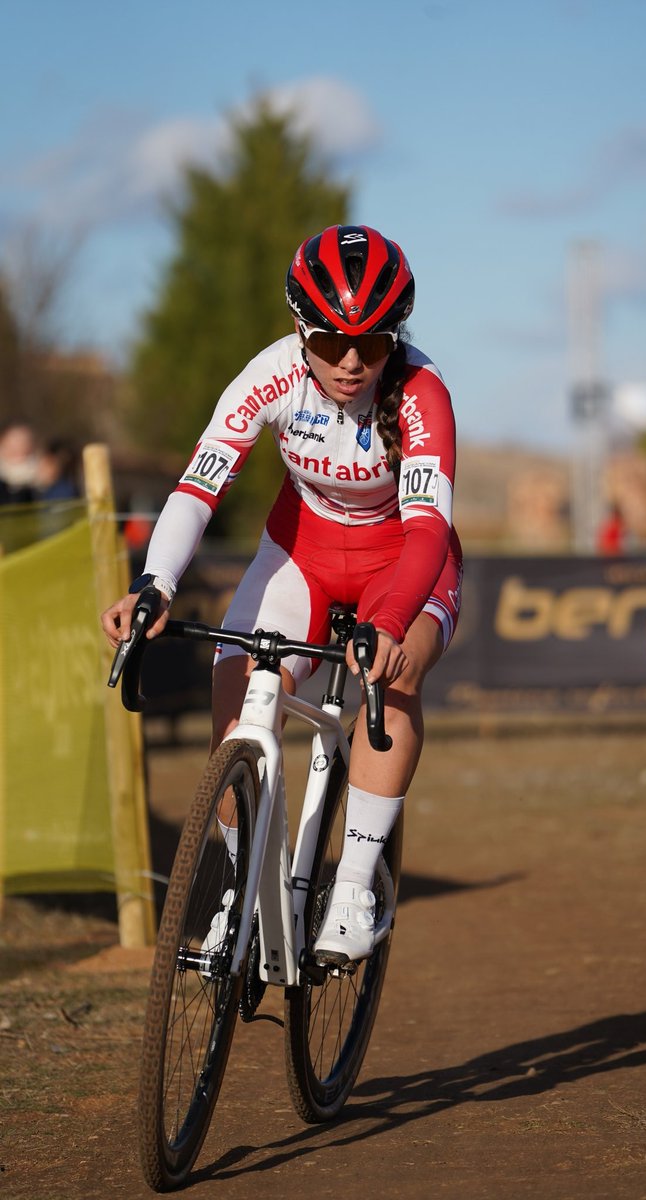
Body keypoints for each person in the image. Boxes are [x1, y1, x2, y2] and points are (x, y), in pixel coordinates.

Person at [101, 224, 462, 968]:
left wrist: (392, 622)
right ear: (301, 330)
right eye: (330, 342)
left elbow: (429, 529)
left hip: (404, 560)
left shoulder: (422, 392)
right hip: (302, 552)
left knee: (392, 676)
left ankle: (354, 887)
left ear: (396, 336)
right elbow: (200, 485)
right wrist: (154, 583)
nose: (352, 361)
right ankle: (243, 888)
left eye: (373, 342)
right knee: (236, 694)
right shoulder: (270, 374)